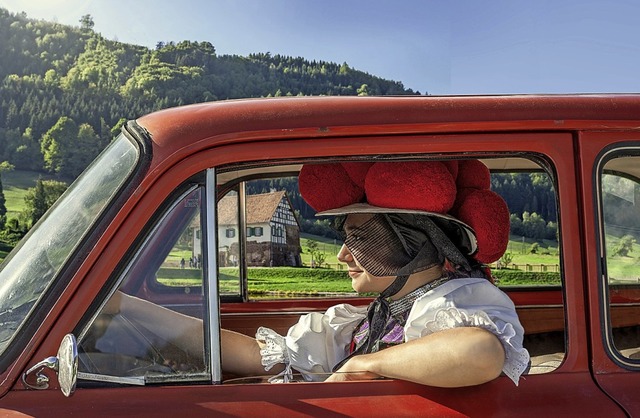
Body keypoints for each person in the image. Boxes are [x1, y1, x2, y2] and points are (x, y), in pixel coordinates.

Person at [103, 159, 530, 387]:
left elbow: (481, 352)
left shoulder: (455, 304)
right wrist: (128, 308)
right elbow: (258, 357)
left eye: (358, 237)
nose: (343, 254)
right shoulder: (377, 317)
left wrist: (364, 366)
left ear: (411, 242)